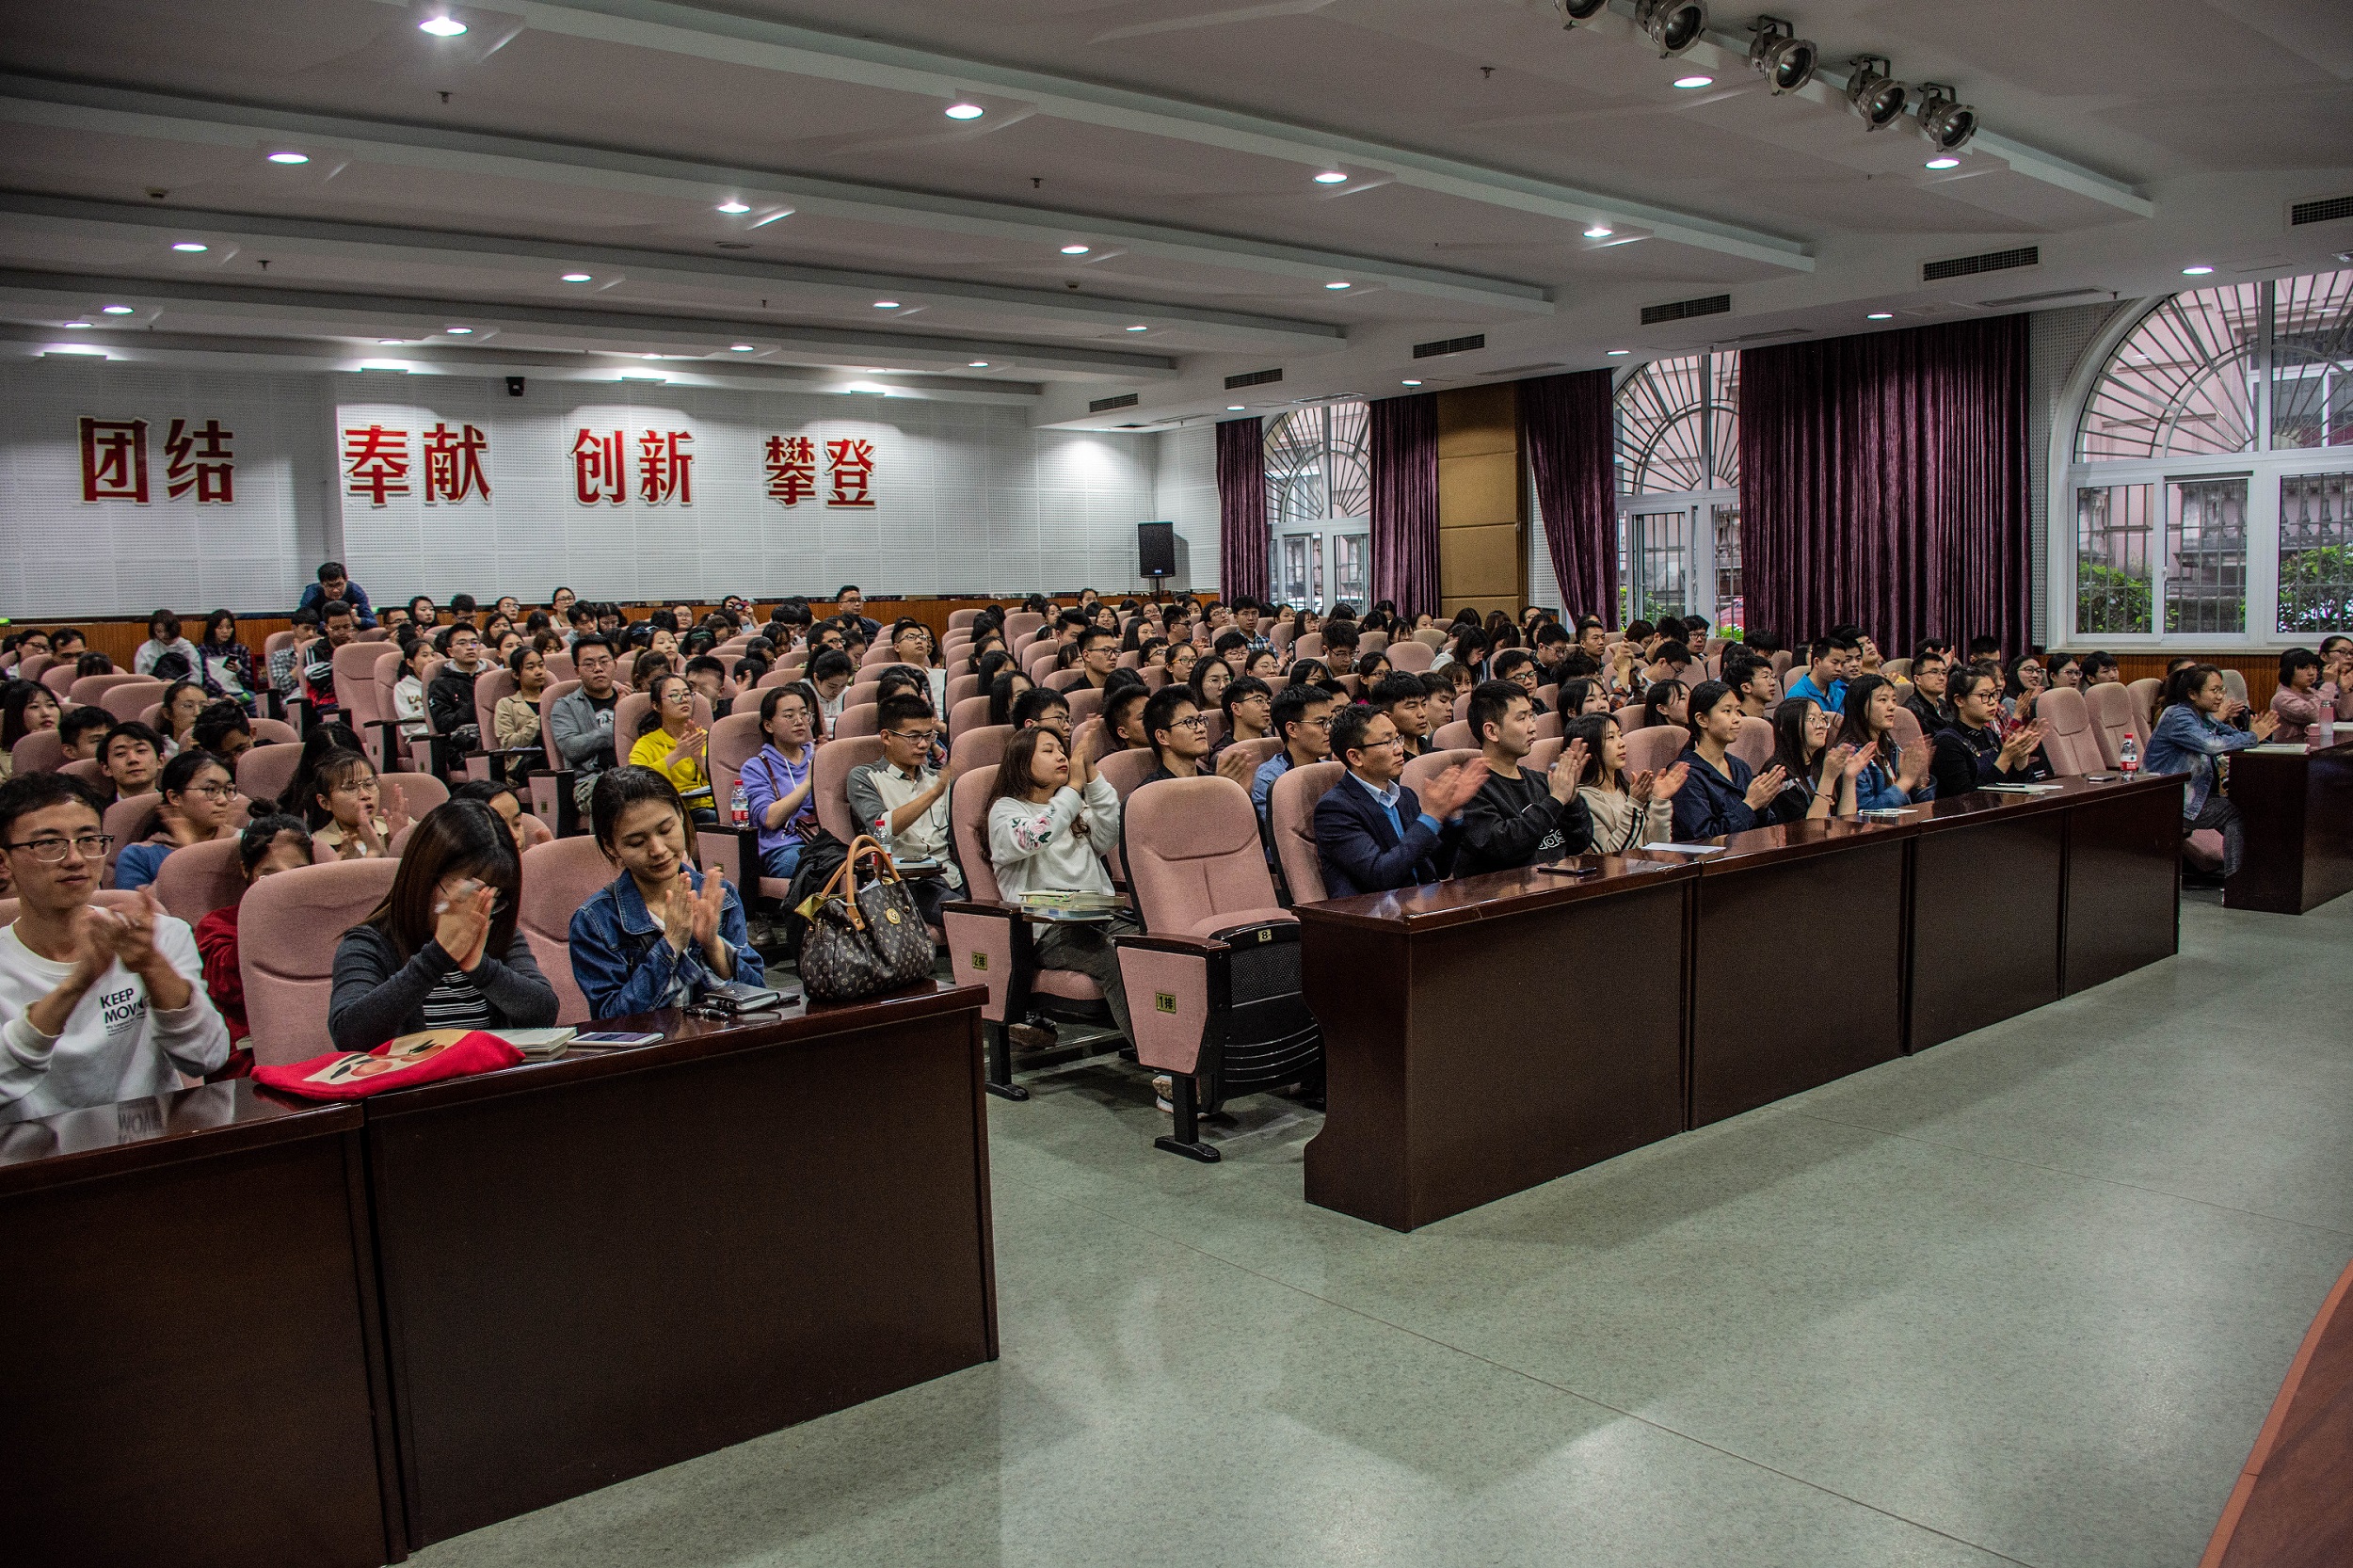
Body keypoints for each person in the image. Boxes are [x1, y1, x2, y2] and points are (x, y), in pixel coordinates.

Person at [0, 773, 229, 1123]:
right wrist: (76, 985)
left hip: (146, 1142)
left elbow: (207, 1057)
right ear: (5, 861)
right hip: (34, 1149)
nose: (75, 858)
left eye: (89, 840)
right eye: (48, 844)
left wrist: (151, 965)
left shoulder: (158, 937)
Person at [327, 800, 557, 1050]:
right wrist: (438, 955)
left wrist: (480, 967)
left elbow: (544, 1013)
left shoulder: (495, 928)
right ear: (424, 878)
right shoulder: (370, 944)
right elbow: (349, 1037)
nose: (479, 909)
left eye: (493, 897)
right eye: (468, 892)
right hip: (413, 1076)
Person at [567, 768, 760, 1019]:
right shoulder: (594, 921)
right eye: (637, 842)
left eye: (666, 830)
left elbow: (760, 996)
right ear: (610, 846)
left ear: (680, 817)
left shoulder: (720, 896)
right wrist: (671, 945)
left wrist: (713, 946)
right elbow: (612, 1020)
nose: (657, 849)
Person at [984, 727, 1134, 1041]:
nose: (1061, 756)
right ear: (1022, 761)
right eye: (1048, 750)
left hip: (1097, 916)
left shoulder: (1072, 809)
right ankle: (1159, 1059)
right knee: (1110, 958)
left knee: (1150, 947)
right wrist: (1074, 788)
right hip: (1047, 930)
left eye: (1062, 750)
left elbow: (1108, 833)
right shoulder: (1006, 810)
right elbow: (1037, 836)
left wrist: (1090, 773)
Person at [1314, 704, 1485, 897]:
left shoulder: (1405, 797)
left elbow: (1439, 869)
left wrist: (1452, 813)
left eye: (1397, 738)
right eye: (1387, 742)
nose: (1399, 749)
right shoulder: (1334, 809)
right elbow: (1380, 875)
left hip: (1423, 905)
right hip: (1374, 911)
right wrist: (1431, 816)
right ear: (1355, 757)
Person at [192, 813, 314, 1070]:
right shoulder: (217, 925)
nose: (284, 885)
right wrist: (264, 913)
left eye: (297, 873)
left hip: (321, 1046)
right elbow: (229, 989)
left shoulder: (326, 920)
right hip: (252, 1058)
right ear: (246, 871)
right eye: (269, 875)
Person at [2146, 664, 2277, 881]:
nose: (2220, 696)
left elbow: (2233, 736)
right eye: (2214, 690)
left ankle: (2258, 878)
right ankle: (2237, 883)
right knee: (2236, 813)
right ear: (2192, 694)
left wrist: (2259, 737)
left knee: (2252, 808)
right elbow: (2211, 744)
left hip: (2193, 795)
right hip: (2170, 799)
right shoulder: (2177, 716)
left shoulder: (2203, 716)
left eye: (2222, 690)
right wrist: (2253, 737)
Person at [1455, 680, 1591, 877]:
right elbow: (1502, 848)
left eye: (1531, 716)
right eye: (1521, 718)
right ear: (1491, 731)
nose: (1532, 727)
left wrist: (1571, 800)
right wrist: (1555, 800)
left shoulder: (1542, 781)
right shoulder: (1470, 791)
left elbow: (1580, 843)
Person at [848, 694, 963, 922]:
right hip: (906, 883)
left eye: (928, 735)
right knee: (970, 918)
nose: (923, 744)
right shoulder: (865, 777)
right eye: (913, 736)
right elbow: (882, 828)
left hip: (952, 874)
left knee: (1003, 913)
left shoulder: (937, 779)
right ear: (886, 737)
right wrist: (934, 793)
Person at [1672, 681, 1789, 840]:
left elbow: (1764, 830)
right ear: (1702, 719)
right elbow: (1703, 837)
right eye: (1727, 711)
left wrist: (1762, 806)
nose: (1737, 719)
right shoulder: (1686, 774)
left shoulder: (1740, 767)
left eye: (1738, 710)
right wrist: (1750, 804)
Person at [111, 749, 243, 892]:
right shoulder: (138, 855)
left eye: (227, 790)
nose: (223, 800)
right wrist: (187, 853)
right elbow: (141, 906)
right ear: (175, 797)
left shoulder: (242, 842)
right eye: (210, 789)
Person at [1571, 712, 1690, 853]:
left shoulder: (1626, 789)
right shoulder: (1581, 801)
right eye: (1610, 737)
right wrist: (1634, 805)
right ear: (1588, 748)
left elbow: (1658, 849)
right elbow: (1610, 857)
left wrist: (1660, 802)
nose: (1622, 743)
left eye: (1620, 735)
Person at [1930, 666, 2050, 802]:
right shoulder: (1947, 742)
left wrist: (2020, 760)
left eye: (1994, 694)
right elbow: (1968, 799)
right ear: (1959, 700)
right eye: (1984, 696)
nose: (1993, 702)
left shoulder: (1989, 734)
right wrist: (2005, 758)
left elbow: (2012, 787)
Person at [743, 684, 819, 881]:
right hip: (783, 848)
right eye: (789, 715)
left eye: (804, 714)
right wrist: (807, 783)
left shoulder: (820, 757)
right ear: (769, 725)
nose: (799, 721)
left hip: (822, 843)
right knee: (811, 867)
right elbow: (770, 819)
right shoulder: (756, 767)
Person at [1834, 675, 1933, 810]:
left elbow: (1920, 808)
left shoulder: (1891, 748)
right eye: (1883, 700)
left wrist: (1919, 782)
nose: (1892, 707)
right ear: (1859, 705)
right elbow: (1865, 813)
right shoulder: (1850, 753)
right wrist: (1906, 780)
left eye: (1894, 700)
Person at [628, 672, 714, 821]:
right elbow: (636, 783)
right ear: (656, 706)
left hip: (712, 805)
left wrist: (699, 759)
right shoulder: (646, 744)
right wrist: (678, 754)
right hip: (672, 811)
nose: (684, 700)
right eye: (675, 696)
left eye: (687, 694)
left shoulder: (704, 737)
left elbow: (724, 782)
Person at [550, 634, 624, 805]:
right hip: (591, 781)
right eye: (589, 664)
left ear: (615, 665)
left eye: (604, 662)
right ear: (577, 671)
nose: (598, 668)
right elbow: (571, 748)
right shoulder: (565, 706)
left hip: (631, 773)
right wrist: (616, 724)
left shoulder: (629, 701)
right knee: (618, 797)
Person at [1762, 698, 1863, 824]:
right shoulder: (1778, 773)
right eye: (1812, 719)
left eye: (1822, 718)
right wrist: (1828, 778)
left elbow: (1846, 823)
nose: (1821, 725)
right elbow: (1810, 830)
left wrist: (1849, 778)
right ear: (1786, 727)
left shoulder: (1824, 765)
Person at [1252, 683, 1335, 835]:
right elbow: (1286, 835)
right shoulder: (1271, 778)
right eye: (1320, 723)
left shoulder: (1331, 770)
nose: (1329, 729)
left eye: (1330, 721)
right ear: (1292, 729)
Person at [306, 748, 409, 860]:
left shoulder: (403, 825)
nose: (365, 795)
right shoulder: (317, 847)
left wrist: (401, 842)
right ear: (325, 802)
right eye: (350, 788)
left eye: (369, 784)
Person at [1141, 686, 1210, 783]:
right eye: (1189, 722)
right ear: (1162, 737)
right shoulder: (1151, 791)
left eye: (1200, 720)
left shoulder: (1214, 781)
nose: (1201, 728)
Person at [193, 609, 257, 710]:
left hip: (239, 694)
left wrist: (239, 670)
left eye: (229, 627)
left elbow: (250, 681)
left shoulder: (240, 649)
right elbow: (204, 679)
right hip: (215, 695)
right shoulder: (201, 650)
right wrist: (224, 694)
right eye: (220, 628)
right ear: (212, 629)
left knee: (256, 700)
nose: (225, 631)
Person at [1780, 634, 1854, 714]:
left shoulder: (1839, 692)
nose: (1839, 669)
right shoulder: (1797, 696)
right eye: (1834, 662)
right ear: (1817, 662)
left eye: (1842, 664)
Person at [2268, 648, 2329, 744]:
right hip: (2291, 751)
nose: (2311, 673)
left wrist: (2347, 690)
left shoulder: (2312, 692)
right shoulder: (2282, 698)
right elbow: (2312, 714)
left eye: (2314, 667)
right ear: (2289, 670)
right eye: (2305, 668)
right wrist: (2329, 684)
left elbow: (2343, 714)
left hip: (2315, 746)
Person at [495, 644, 549, 752]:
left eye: (541, 665)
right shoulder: (506, 704)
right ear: (516, 674)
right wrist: (541, 720)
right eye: (530, 667)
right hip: (527, 758)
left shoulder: (554, 700)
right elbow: (508, 744)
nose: (539, 672)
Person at [1, 682, 59, 780]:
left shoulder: (75, 747)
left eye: (51, 705)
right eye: (34, 707)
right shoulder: (4, 761)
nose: (46, 713)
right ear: (16, 715)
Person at [1368, 673, 1433, 760]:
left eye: (1423, 704)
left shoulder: (1438, 755)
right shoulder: (1387, 763)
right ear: (1386, 716)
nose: (1422, 714)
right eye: (1412, 707)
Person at [98, 721, 165, 806]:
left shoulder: (177, 807)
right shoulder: (98, 812)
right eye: (120, 753)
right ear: (106, 768)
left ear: (160, 760)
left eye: (141, 750)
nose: (133, 759)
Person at [298, 562, 376, 627]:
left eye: (339, 584)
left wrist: (357, 620)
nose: (335, 590)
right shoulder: (312, 593)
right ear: (321, 584)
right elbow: (302, 622)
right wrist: (331, 625)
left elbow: (372, 621)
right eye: (330, 586)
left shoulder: (355, 591)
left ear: (346, 580)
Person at [1216, 675, 1274, 753]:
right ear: (1236, 708)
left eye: (1268, 702)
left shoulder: (1276, 745)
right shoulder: (1224, 755)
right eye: (1259, 701)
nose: (1267, 708)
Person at [133, 610, 200, 678]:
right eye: (159, 631)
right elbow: (142, 678)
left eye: (167, 631)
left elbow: (197, 677)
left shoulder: (187, 648)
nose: (163, 635)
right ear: (153, 631)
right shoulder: (145, 650)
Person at [1903, 648, 1954, 736]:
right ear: (1917, 679)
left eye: (1944, 672)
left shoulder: (1943, 704)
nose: (1941, 678)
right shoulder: (1911, 711)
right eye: (1934, 672)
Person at [156, 679, 207, 757]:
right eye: (188, 706)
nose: (198, 713)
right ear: (167, 713)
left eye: (204, 707)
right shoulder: (159, 750)